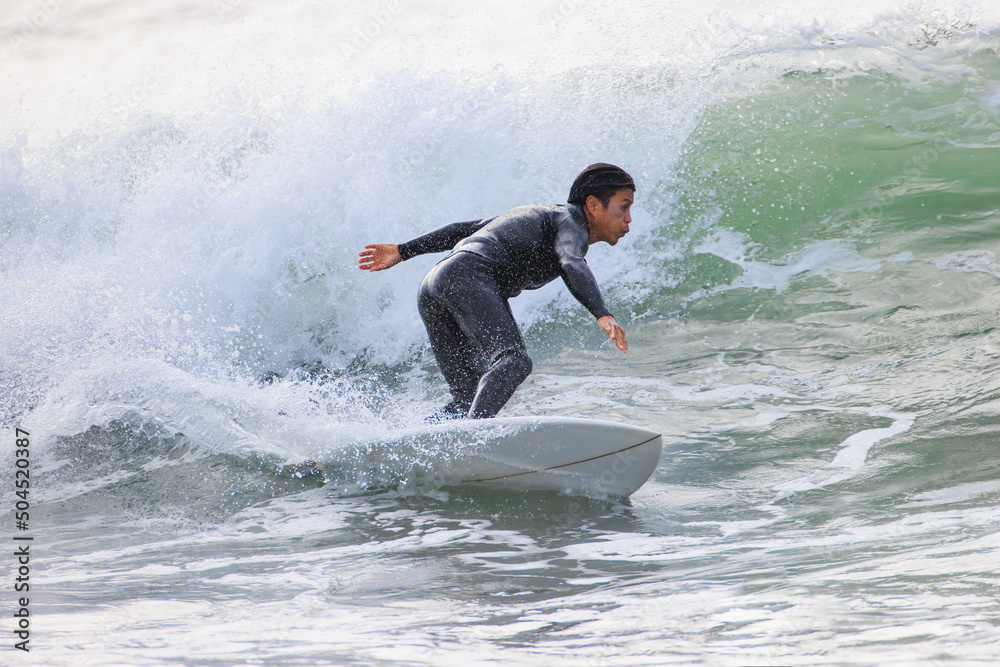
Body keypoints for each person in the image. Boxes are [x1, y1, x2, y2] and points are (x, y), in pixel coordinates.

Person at [358, 163, 634, 420]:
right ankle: (469, 442)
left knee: (468, 398)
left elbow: (464, 229)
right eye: (623, 207)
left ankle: (424, 440)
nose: (628, 219)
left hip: (435, 285)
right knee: (514, 361)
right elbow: (571, 262)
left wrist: (403, 251)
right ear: (593, 205)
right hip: (468, 275)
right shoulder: (571, 224)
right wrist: (602, 314)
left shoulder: (542, 215)